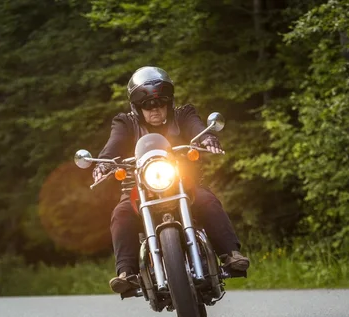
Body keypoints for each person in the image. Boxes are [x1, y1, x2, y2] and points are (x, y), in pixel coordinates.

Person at [93, 66, 250, 295]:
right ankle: (127, 272)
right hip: (140, 189)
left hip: (184, 183)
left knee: (206, 199)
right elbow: (113, 144)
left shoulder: (183, 114)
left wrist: (206, 137)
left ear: (168, 101)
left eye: (160, 102)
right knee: (122, 213)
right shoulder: (125, 123)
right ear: (137, 107)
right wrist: (104, 162)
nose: (154, 109)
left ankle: (230, 254)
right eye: (147, 105)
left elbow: (197, 127)